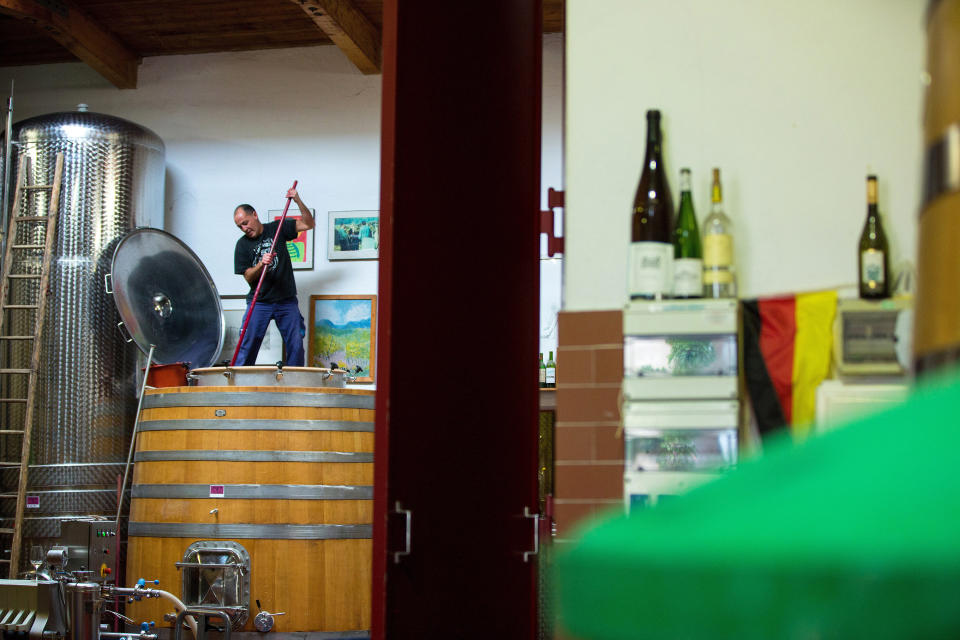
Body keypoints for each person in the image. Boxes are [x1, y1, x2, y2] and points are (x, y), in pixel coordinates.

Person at [233, 187, 315, 365]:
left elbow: (309, 224)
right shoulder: (242, 245)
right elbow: (248, 277)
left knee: (295, 344)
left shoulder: (279, 228)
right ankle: (240, 384)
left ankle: (295, 382)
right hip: (259, 301)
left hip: (286, 300)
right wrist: (261, 264)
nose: (244, 228)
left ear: (254, 214)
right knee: (247, 344)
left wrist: (297, 200)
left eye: (246, 222)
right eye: (240, 226)